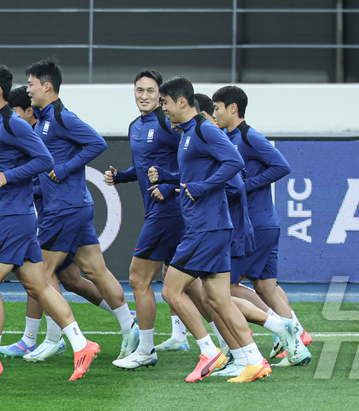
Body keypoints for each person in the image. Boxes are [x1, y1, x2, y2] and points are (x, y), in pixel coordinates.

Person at [0, 63, 100, 381]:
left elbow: (44, 160)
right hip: (15, 216)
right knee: (39, 286)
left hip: (11, 217)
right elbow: (3, 164)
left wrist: (6, 177)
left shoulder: (14, 123)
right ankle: (81, 343)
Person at [148, 76, 266, 383]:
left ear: (182, 102)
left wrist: (202, 187)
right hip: (208, 226)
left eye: (166, 102)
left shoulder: (203, 129)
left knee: (172, 290)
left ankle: (208, 351)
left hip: (206, 227)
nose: (164, 108)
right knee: (217, 300)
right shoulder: (188, 132)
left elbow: (235, 162)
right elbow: (194, 173)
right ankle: (250, 359)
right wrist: (170, 178)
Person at [26, 59, 137, 358]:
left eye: (31, 84)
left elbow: (97, 143)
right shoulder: (44, 118)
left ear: (47, 86)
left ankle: (55, 339)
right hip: (74, 206)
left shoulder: (62, 116)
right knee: (94, 270)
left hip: (64, 209)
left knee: (40, 274)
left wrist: (65, 168)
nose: (28, 90)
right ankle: (130, 328)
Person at [208, 85, 310, 372]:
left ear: (232, 109)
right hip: (264, 223)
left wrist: (245, 185)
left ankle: (284, 332)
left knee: (225, 288)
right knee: (266, 287)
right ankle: (297, 342)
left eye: (217, 108)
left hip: (255, 225)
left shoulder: (249, 137)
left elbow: (281, 166)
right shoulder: (228, 138)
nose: (215, 114)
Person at [0, 86, 96, 361]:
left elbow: (47, 165)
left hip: (60, 211)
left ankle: (45, 339)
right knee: (76, 278)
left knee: (40, 275)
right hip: (59, 210)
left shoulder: (48, 126)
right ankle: (127, 319)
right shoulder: (34, 130)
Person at [103, 69, 184, 369]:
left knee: (138, 278)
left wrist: (168, 184)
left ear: (160, 94)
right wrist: (121, 177)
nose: (144, 96)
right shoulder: (135, 126)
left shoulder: (167, 122)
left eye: (150, 91)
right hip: (159, 211)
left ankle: (147, 349)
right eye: (140, 90)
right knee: (192, 284)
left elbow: (193, 160)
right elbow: (143, 165)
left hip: (169, 211)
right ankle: (229, 345)